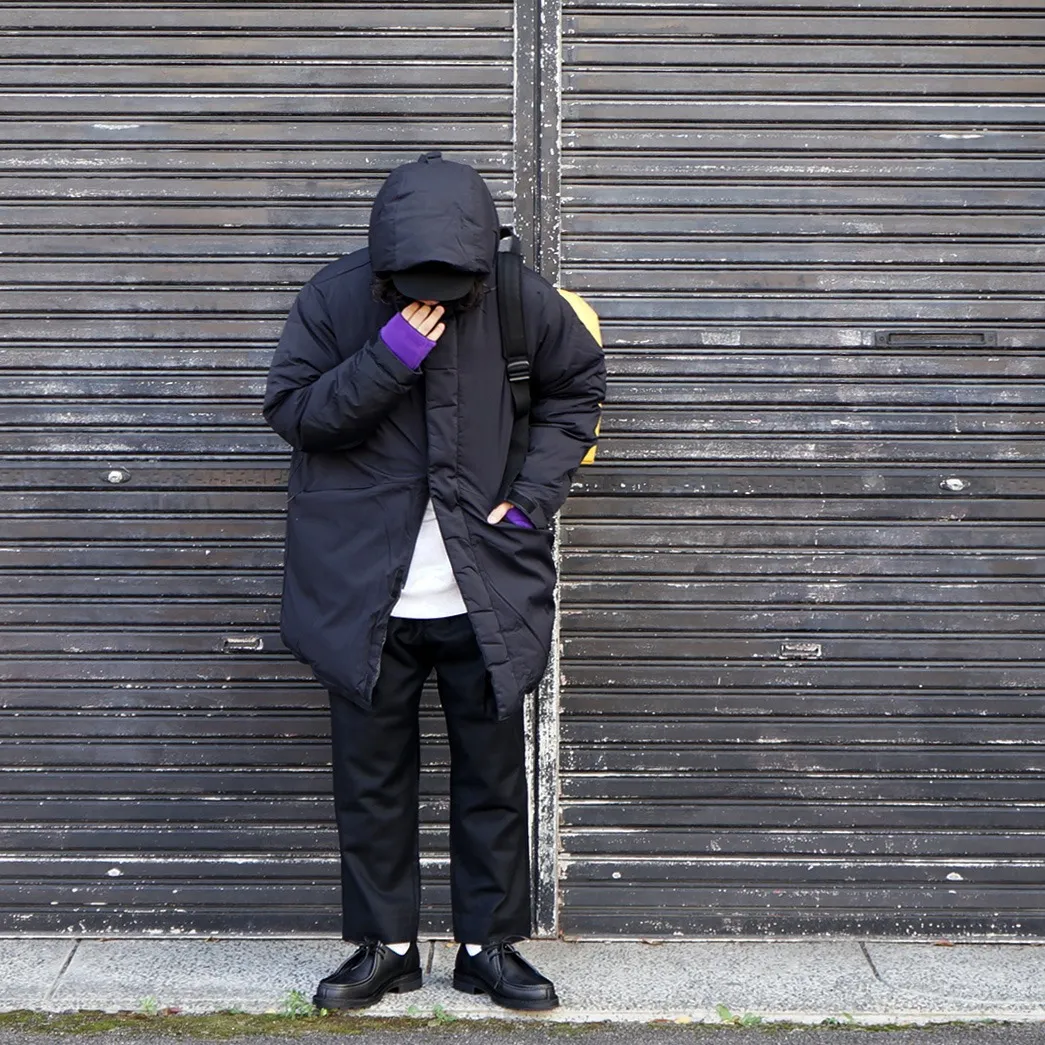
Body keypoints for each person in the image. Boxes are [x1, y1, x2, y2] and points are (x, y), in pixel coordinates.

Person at [262, 150, 605, 1012]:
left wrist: (530, 501)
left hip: (484, 585)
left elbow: (576, 392)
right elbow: (295, 414)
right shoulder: (334, 298)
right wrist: (391, 354)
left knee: (492, 778)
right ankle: (385, 947)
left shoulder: (521, 298)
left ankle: (489, 948)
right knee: (370, 779)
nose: (439, 294)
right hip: (361, 593)